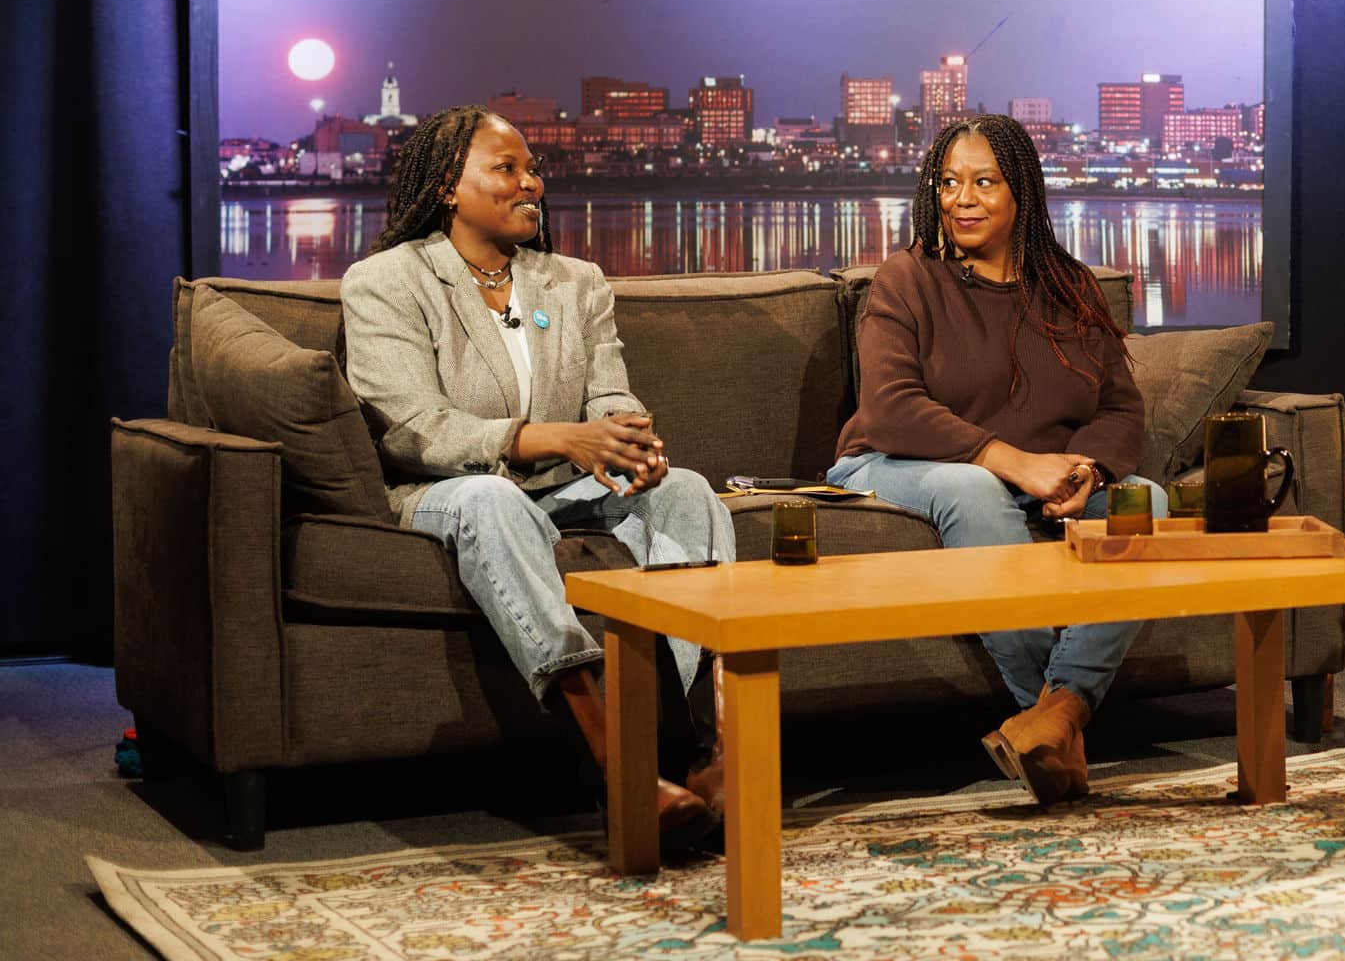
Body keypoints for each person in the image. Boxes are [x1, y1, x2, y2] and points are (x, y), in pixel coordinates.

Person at [341, 105, 735, 838]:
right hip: (445, 491)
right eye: (507, 169)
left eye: (534, 170)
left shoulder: (574, 281)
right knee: (493, 500)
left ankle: (709, 750)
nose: (532, 184)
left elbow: (610, 394)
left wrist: (630, 442)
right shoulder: (386, 282)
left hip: (559, 490)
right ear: (447, 188)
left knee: (686, 491)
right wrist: (556, 438)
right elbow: (411, 427)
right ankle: (614, 766)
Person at [827, 113, 1165, 807]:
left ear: (1022, 193)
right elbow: (890, 407)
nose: (962, 199)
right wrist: (1012, 461)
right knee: (974, 490)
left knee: (1148, 502)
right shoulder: (907, 278)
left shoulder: (1070, 286)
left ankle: (1056, 716)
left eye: (984, 182)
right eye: (948, 182)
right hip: (893, 461)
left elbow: (1121, 411)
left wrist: (1088, 472)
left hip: (1032, 476)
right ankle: (1052, 716)